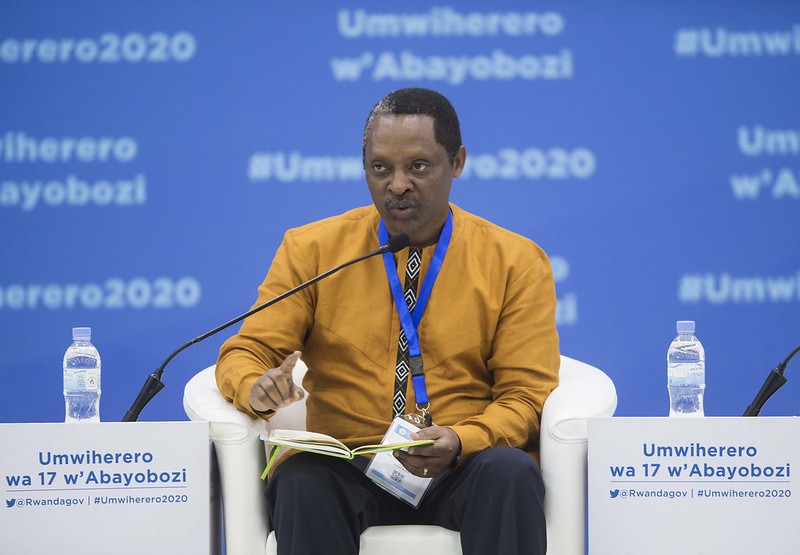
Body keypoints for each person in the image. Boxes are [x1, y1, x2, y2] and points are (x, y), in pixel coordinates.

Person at [215, 87, 560, 555]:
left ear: (457, 161)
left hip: (461, 462)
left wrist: (462, 439)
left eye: (418, 166)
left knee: (511, 472)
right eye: (381, 168)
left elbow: (526, 396)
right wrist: (256, 385)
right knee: (301, 480)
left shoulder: (515, 261)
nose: (397, 184)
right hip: (349, 464)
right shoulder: (313, 250)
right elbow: (246, 351)